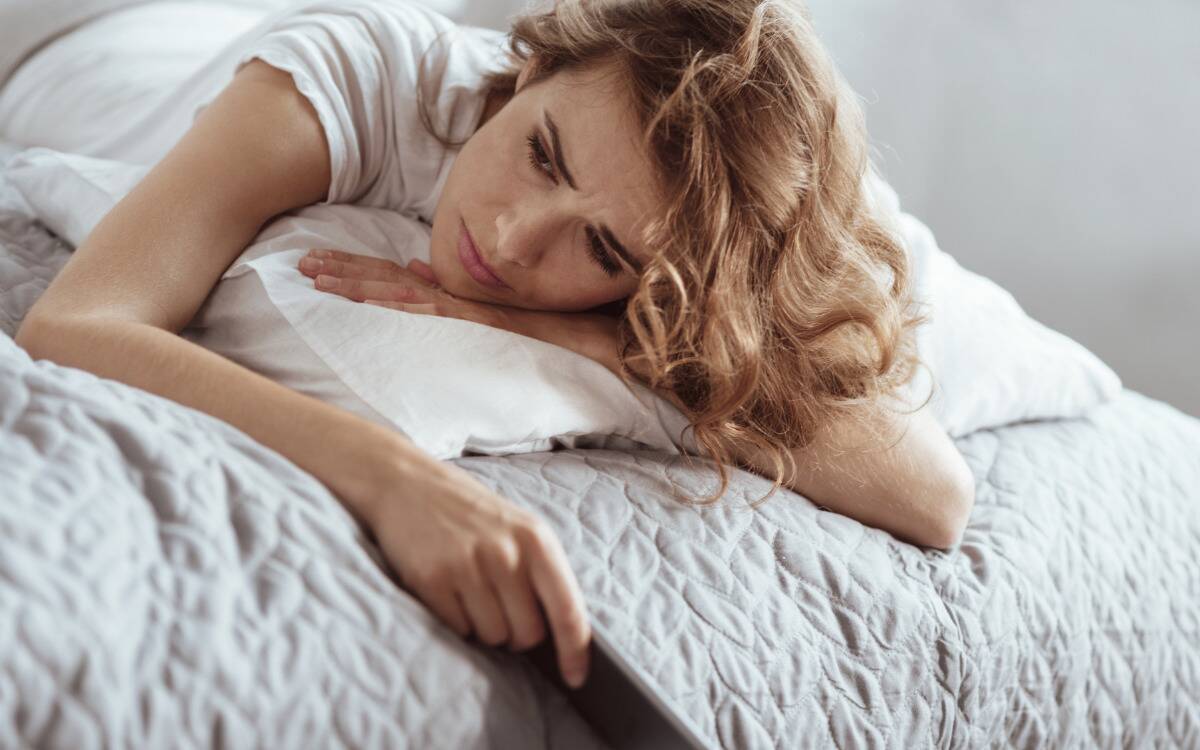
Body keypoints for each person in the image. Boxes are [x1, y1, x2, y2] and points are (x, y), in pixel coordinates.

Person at [12, 0, 975, 692]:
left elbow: (935, 495)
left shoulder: (641, 266)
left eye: (600, 248)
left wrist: (564, 333)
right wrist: (393, 481)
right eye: (541, 152)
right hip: (75, 40)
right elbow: (78, 326)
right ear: (533, 69)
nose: (513, 241)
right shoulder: (349, 82)